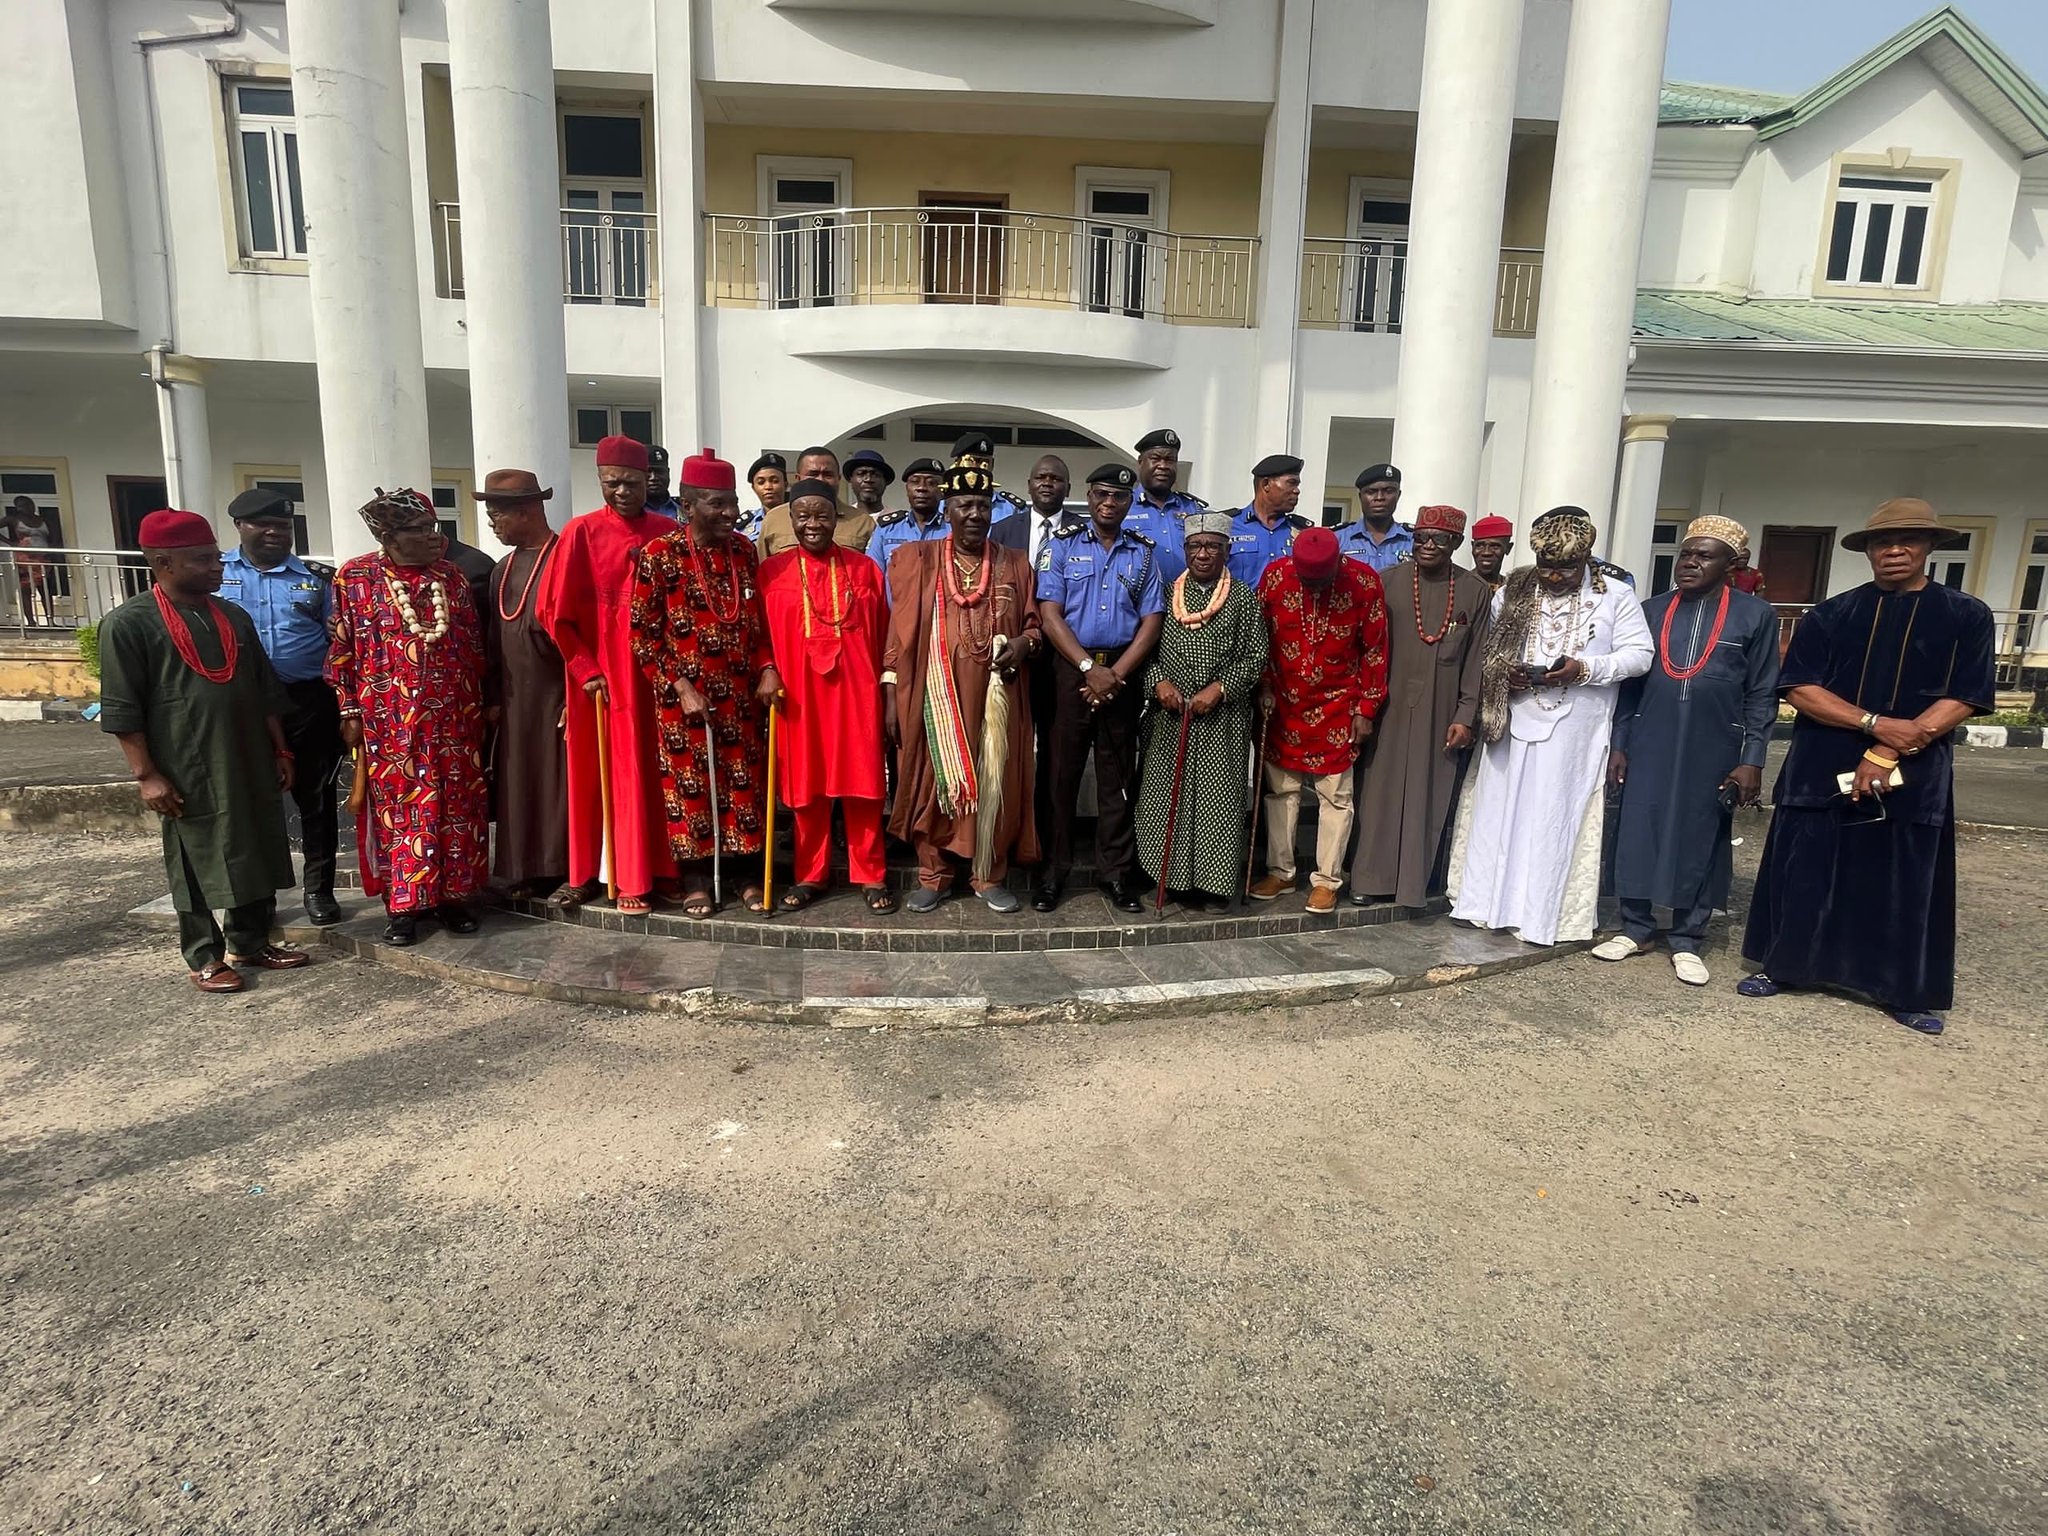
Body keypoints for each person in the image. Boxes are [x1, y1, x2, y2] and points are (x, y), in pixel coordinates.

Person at [1739, 498, 1996, 1036]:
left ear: (1929, 546)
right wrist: (1875, 724)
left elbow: (1966, 695)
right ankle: (1786, 966)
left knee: (1901, 876)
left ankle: (1901, 988)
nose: (1894, 550)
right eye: (1883, 542)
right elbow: (1799, 688)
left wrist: (1893, 747)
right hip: (1823, 759)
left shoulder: (1966, 615)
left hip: (1915, 766)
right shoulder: (1831, 614)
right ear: (1868, 551)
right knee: (1808, 867)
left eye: (1908, 540)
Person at [99, 509, 304, 993]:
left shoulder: (232, 616)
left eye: (216, 557)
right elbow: (123, 708)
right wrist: (146, 775)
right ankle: (204, 955)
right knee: (193, 855)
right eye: (203, 560)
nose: (218, 567)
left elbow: (264, 691)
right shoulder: (128, 624)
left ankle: (251, 941)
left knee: (255, 842)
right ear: (163, 563)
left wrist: (281, 751)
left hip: (249, 754)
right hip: (185, 763)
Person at [1448, 507, 1654, 945]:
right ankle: (1486, 905)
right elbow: (1488, 651)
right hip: (1513, 720)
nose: (1555, 577)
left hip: (1574, 730)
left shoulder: (1616, 595)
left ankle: (1542, 916)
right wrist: (1506, 673)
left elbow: (1640, 656)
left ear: (1585, 559)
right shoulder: (1514, 590)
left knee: (1552, 815)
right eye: (1547, 567)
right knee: (1498, 810)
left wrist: (1585, 668)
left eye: (1566, 569)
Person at [1597, 515, 1779, 984]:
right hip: (1650, 736)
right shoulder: (1651, 610)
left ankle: (1687, 938)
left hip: (1714, 742)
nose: (1690, 563)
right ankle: (1635, 928)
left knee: (1701, 833)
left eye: (1704, 556)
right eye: (1686, 554)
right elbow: (1630, 685)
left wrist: (1752, 759)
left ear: (1732, 564)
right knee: (1638, 827)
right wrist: (1620, 743)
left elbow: (1762, 692)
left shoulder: (1755, 615)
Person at [327, 489, 490, 947]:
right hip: (389, 722)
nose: (433, 537)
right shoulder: (355, 578)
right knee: (401, 811)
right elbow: (342, 649)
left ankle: (454, 898)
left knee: (457, 808)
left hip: (454, 718)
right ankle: (405, 906)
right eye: (420, 530)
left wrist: (480, 706)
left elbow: (473, 645)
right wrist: (349, 709)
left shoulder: (451, 578)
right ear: (388, 536)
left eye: (433, 527)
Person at [883, 463, 1045, 913]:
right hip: (933, 698)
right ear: (947, 509)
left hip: (998, 700)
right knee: (931, 781)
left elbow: (1034, 627)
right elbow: (897, 635)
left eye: (982, 505)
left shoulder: (1016, 563)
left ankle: (988, 875)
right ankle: (933, 875)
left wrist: (1023, 644)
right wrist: (891, 694)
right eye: (964, 505)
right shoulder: (917, 559)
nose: (974, 514)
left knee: (996, 781)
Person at [630, 449, 781, 917]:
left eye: (732, 503)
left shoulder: (743, 551)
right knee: (690, 788)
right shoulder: (659, 555)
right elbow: (641, 633)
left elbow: (759, 624)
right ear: (688, 505)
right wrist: (680, 686)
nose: (730, 513)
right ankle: (695, 880)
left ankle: (745, 877)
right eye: (718, 504)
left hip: (741, 695)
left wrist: (768, 666)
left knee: (745, 787)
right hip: (684, 699)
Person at [536, 433, 677, 913]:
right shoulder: (580, 531)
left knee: (656, 770)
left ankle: (657, 869)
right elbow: (553, 611)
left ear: (647, 480)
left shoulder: (666, 531)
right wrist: (584, 667)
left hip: (654, 673)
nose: (622, 491)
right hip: (602, 675)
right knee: (601, 774)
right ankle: (595, 873)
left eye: (631, 482)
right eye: (612, 482)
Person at [758, 479, 894, 915]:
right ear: (791, 520)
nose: (813, 524)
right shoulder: (771, 572)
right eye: (804, 516)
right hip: (798, 699)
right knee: (806, 788)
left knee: (864, 786)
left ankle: (870, 873)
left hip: (857, 696)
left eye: (822, 515)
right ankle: (809, 875)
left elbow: (886, 634)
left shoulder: (865, 569)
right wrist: (767, 668)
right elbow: (757, 636)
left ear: (837, 519)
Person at [1036, 463, 1165, 914]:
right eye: (1102, 495)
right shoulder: (1060, 546)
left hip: (1122, 674)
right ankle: (1053, 872)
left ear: (1130, 503)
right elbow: (1049, 615)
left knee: (1118, 779)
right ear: (1088, 497)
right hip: (1070, 670)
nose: (1109, 503)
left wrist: (1116, 674)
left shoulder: (1143, 553)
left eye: (1119, 497)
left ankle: (1116, 874)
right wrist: (1089, 667)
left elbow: (1152, 620)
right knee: (1059, 776)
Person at [1348, 505, 1491, 909]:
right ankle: (1369, 878)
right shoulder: (1387, 581)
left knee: (1429, 791)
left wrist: (1465, 716)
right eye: (1421, 537)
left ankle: (1412, 884)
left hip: (1441, 707)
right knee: (1377, 792)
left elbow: (1476, 660)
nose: (1427, 545)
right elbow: (1365, 648)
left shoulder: (1473, 590)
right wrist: (1363, 707)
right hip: (1388, 703)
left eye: (1438, 539)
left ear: (1456, 543)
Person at [216, 487, 345, 927]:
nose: (274, 532)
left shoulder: (317, 579)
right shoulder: (218, 574)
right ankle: (260, 895)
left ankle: (319, 890)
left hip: (306, 701)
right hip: (242, 704)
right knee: (250, 799)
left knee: (317, 798)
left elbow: (338, 640)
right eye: (263, 524)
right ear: (240, 526)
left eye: (283, 526)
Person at [1251, 526, 1389, 914]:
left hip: (1338, 705)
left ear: (1337, 564)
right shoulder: (1275, 576)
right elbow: (1260, 638)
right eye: (1305, 579)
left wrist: (1366, 708)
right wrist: (1263, 685)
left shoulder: (1364, 582)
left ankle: (1327, 880)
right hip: (1283, 703)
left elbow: (1375, 650)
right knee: (1281, 792)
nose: (1311, 586)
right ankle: (1281, 872)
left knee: (1336, 797)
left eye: (1320, 580)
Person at [1134, 513, 1267, 910]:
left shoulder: (1241, 597)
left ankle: (1212, 886)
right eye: (1195, 546)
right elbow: (1145, 650)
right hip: (1170, 717)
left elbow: (1256, 655)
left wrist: (1220, 688)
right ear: (1185, 549)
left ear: (1227, 550)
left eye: (1212, 546)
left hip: (1222, 719)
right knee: (1164, 800)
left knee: (1217, 802)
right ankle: (1170, 879)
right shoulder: (1165, 594)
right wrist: (1159, 683)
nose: (1203, 554)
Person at [477, 468, 569, 899]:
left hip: (558, 694)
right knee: (519, 780)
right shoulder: (502, 570)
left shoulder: (566, 557)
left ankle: (563, 867)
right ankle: (524, 868)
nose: (492, 525)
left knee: (557, 782)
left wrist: (576, 695)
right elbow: (494, 642)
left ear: (527, 511)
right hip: (516, 700)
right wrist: (493, 698)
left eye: (497, 515)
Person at [992, 456, 1082, 872]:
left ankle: (1042, 837)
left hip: (1061, 658)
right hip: (1012, 654)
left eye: (1056, 479)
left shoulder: (1081, 532)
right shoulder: (1002, 530)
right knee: (1006, 747)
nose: (1048, 484)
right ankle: (1004, 832)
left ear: (1068, 488)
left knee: (1054, 752)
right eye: (1041, 477)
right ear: (1028, 484)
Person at [759, 447, 873, 557]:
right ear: (798, 479)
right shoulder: (774, 519)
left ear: (838, 479)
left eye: (828, 475)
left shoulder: (862, 522)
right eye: (813, 474)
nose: (820, 480)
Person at [867, 456, 952, 591]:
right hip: (897, 605)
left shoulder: (953, 529)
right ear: (907, 489)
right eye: (915, 481)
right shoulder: (887, 529)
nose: (922, 488)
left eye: (931, 483)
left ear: (943, 491)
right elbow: (872, 579)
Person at [1228, 453, 1312, 586]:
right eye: (1291, 483)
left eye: (1297, 485)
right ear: (1266, 484)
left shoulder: (1302, 531)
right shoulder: (1229, 526)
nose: (1297, 491)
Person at [1122, 428, 1195, 578]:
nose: (1163, 466)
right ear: (1140, 463)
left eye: (1170, 460)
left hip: (1184, 592)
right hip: (1137, 592)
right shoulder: (1123, 505)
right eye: (1155, 459)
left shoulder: (1192, 508)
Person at [1336, 463, 1414, 572]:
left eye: (1388, 491)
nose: (1379, 497)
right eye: (1371, 492)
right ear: (1360, 496)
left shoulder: (1414, 540)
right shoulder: (1338, 539)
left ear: (1398, 495)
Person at [950, 430, 1028, 521]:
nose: (980, 467)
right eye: (973, 461)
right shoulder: (943, 506)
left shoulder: (1013, 509)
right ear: (958, 463)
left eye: (986, 462)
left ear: (992, 464)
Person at [740, 451, 787, 543]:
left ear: (785, 485)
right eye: (761, 482)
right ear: (754, 488)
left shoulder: (797, 519)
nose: (768, 487)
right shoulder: (744, 524)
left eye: (775, 481)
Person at [844, 448, 895, 525]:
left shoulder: (898, 521)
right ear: (851, 479)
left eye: (876, 474)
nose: (868, 479)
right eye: (861, 474)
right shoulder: (841, 519)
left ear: (885, 481)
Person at [1469, 514, 1514, 591]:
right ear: (1472, 547)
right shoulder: (1458, 585)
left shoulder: (1513, 590)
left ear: (1508, 548)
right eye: (1479, 546)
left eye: (1495, 546)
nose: (1486, 552)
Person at [644, 445, 679, 520]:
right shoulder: (628, 511)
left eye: (659, 471)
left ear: (668, 473)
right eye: (648, 472)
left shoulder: (683, 510)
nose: (653, 477)